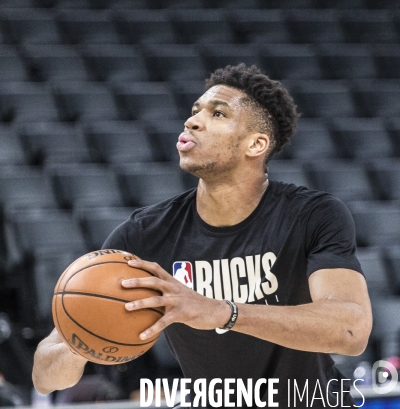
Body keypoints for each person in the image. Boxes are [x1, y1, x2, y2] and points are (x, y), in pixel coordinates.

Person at [32, 64, 372, 408]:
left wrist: (222, 312)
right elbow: (44, 377)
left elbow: (351, 330)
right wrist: (82, 336)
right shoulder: (144, 235)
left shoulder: (312, 214)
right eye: (195, 111)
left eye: (218, 113)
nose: (192, 121)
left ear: (255, 144)